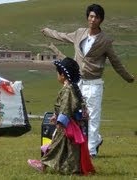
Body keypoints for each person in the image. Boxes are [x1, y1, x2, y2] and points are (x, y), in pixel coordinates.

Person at [41, 4, 134, 157]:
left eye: (96, 17)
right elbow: (62, 35)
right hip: (77, 81)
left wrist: (128, 78)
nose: (93, 19)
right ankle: (91, 140)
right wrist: (48, 32)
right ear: (87, 17)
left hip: (94, 83)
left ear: (100, 20)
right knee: (71, 113)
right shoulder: (79, 33)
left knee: (92, 117)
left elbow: (116, 62)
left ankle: (91, 152)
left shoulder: (105, 41)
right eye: (91, 16)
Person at [27, 57, 95, 175]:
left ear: (62, 75)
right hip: (72, 123)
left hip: (67, 125)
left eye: (57, 73)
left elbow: (66, 107)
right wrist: (56, 115)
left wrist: (60, 121)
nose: (57, 76)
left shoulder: (68, 90)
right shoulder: (72, 88)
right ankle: (73, 168)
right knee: (68, 147)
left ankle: (43, 165)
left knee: (56, 146)